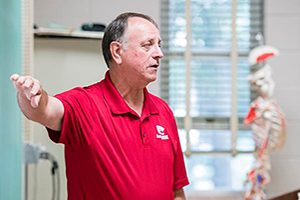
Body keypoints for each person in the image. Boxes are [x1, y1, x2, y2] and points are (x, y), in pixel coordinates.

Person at [10, 12, 189, 200]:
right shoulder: (84, 104)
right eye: (148, 45)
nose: (159, 53)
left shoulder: (163, 111)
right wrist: (31, 94)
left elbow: (177, 191)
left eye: (159, 45)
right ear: (117, 52)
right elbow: (44, 110)